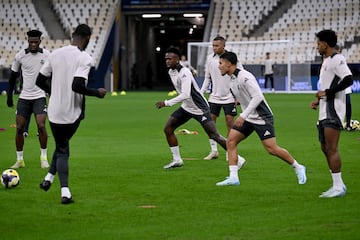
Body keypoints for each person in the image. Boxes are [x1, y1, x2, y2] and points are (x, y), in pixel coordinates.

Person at [36, 24, 107, 204]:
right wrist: (96, 93)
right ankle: (65, 192)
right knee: (63, 149)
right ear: (88, 39)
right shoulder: (84, 58)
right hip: (71, 113)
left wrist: (54, 92)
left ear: (73, 35)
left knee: (61, 145)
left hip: (53, 111)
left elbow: (39, 80)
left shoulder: (55, 54)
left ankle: (49, 178)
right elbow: (77, 86)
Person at [215, 51, 307, 186]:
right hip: (248, 116)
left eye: (221, 63)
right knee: (231, 141)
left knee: (271, 149)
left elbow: (258, 97)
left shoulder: (245, 76)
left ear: (229, 64)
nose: (219, 66)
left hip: (261, 116)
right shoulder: (231, 79)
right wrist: (240, 102)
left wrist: (243, 115)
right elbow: (245, 96)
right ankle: (233, 177)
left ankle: (298, 167)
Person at [155, 47, 245, 170]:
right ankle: (177, 160)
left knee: (215, 136)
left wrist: (167, 103)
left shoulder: (185, 72)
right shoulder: (171, 72)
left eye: (170, 59)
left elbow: (186, 94)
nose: (167, 61)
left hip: (200, 108)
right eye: (166, 59)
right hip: (187, 107)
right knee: (168, 129)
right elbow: (183, 94)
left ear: (177, 59)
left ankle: (238, 159)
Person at [310, 30, 353, 198]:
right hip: (324, 110)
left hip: (333, 111)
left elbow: (348, 79)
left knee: (332, 148)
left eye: (319, 43)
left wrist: (327, 92)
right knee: (324, 147)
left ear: (325, 44)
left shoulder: (338, 59)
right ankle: (338, 184)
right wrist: (319, 99)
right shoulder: (327, 61)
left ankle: (338, 186)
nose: (317, 46)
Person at [6, 29, 50, 169]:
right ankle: (20, 160)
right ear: (27, 41)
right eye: (30, 42)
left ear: (40, 41)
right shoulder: (20, 56)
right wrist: (9, 96)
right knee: (19, 128)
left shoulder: (47, 55)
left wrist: (52, 92)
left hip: (39, 96)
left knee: (41, 125)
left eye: (35, 42)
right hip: (24, 97)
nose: (33, 45)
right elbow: (13, 77)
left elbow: (53, 74)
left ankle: (43, 158)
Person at [200, 36, 245, 166]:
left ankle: (228, 151)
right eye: (213, 45)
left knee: (230, 123)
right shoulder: (209, 58)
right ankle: (214, 150)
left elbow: (240, 75)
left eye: (217, 46)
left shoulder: (231, 58)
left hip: (229, 97)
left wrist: (239, 96)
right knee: (210, 124)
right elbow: (207, 78)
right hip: (214, 97)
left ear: (223, 46)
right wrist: (201, 93)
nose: (214, 48)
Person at [334, 45, 353, 131]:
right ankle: (339, 124)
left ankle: (348, 124)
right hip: (337, 86)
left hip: (345, 86)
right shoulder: (331, 60)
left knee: (348, 104)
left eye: (338, 50)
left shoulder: (342, 59)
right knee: (338, 106)